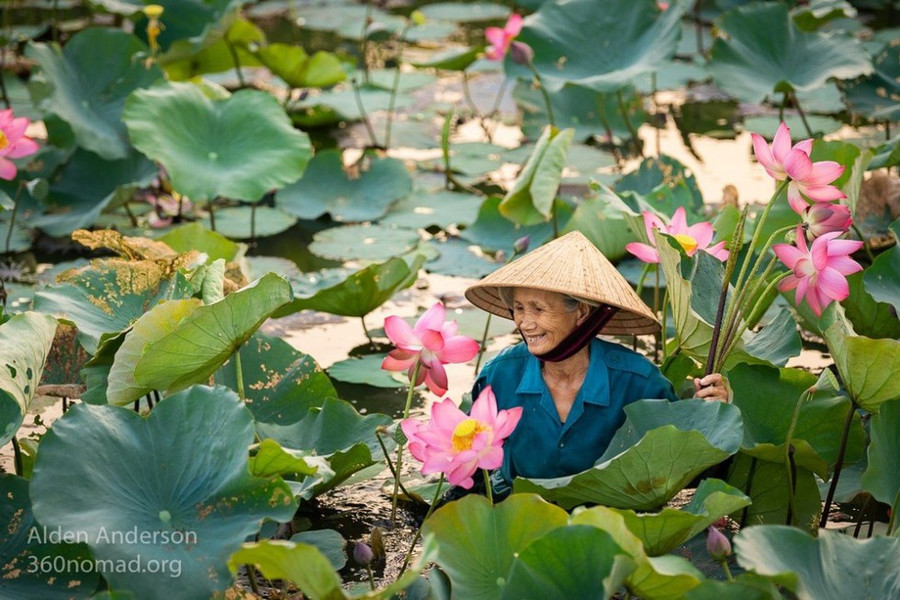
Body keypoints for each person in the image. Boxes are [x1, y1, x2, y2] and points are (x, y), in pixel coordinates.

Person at [463, 231, 729, 498]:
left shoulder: (640, 383)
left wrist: (708, 418)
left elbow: (682, 474)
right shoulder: (498, 376)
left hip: (613, 516)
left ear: (581, 312)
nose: (525, 323)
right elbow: (471, 469)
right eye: (519, 308)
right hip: (518, 513)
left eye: (538, 309)